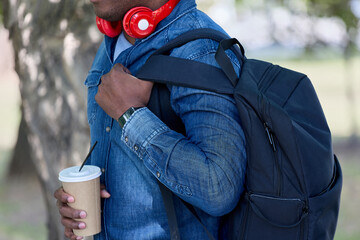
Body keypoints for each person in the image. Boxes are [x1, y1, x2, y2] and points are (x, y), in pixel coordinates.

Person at [54, 0, 247, 239]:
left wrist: (130, 115)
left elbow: (219, 188)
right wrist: (83, 200)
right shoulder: (112, 44)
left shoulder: (200, 51)